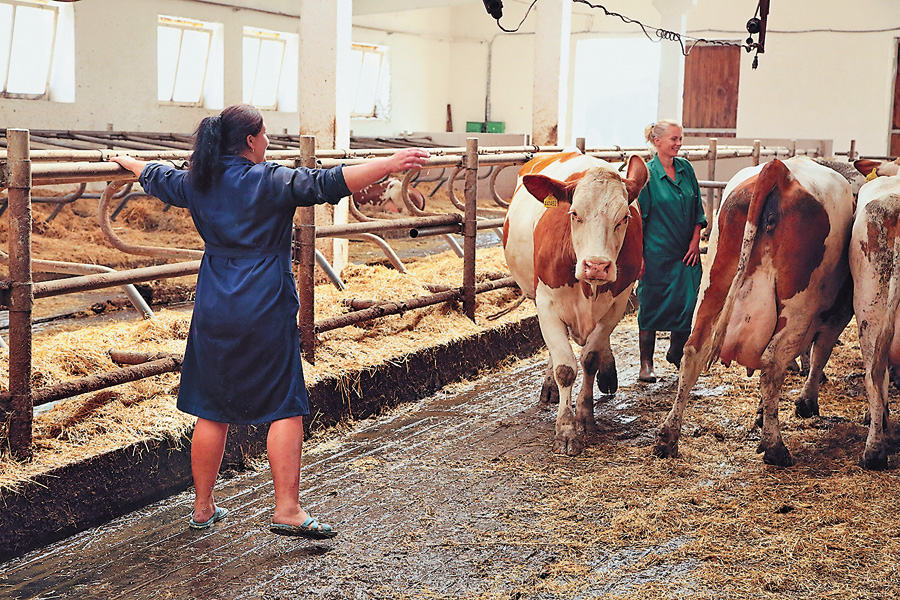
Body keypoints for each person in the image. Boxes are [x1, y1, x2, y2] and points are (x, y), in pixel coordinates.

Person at [112, 104, 430, 539]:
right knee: (284, 403)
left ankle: (203, 506)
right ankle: (287, 508)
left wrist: (122, 159)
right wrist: (391, 163)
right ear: (249, 141)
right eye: (263, 135)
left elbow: (153, 174)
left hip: (214, 300)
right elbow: (330, 181)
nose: (267, 142)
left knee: (210, 405)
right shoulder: (270, 180)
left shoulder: (196, 180)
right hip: (263, 299)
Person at [636, 119, 706, 383]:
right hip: (656, 254)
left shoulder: (686, 169)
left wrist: (695, 242)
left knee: (687, 304)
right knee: (651, 307)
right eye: (673, 139)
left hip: (686, 253)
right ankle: (646, 365)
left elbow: (699, 208)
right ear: (657, 142)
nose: (678, 144)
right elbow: (639, 218)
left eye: (680, 139)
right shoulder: (647, 174)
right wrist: (640, 257)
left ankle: (676, 352)